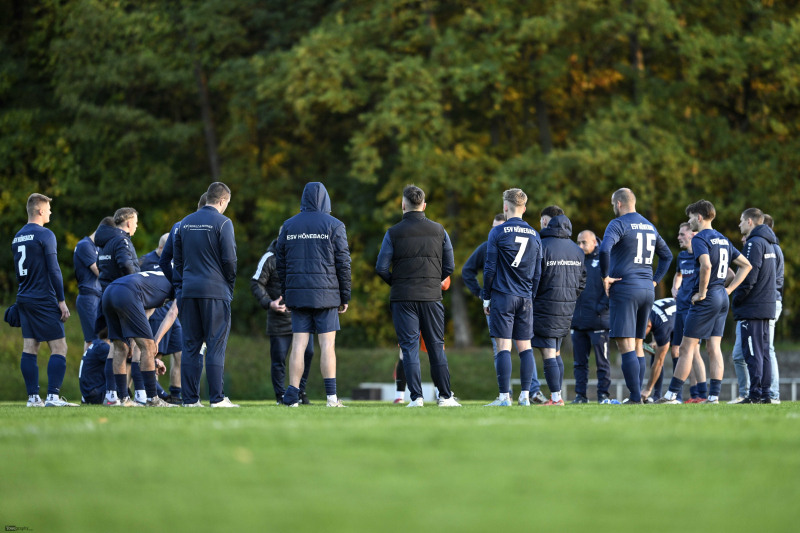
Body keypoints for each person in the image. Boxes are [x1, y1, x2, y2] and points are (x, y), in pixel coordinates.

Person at [658, 200, 751, 404]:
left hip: (707, 298)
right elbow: (746, 265)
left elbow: (706, 266)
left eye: (691, 217)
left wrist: (701, 293)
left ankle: (671, 395)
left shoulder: (700, 237)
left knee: (686, 348)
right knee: (713, 347)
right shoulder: (723, 239)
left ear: (699, 217)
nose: (689, 222)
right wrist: (728, 290)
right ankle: (714, 397)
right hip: (721, 297)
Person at [376, 184, 459, 407]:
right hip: (431, 297)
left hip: (403, 298)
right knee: (435, 346)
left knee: (409, 348)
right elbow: (449, 266)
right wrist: (431, 281)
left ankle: (416, 398)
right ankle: (445, 397)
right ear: (424, 205)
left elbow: (381, 268)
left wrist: (399, 284)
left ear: (403, 205)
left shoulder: (392, 233)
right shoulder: (440, 230)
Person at [278, 182, 351, 408]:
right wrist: (345, 296)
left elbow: (281, 263)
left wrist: (286, 293)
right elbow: (343, 263)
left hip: (298, 295)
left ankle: (292, 395)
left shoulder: (289, 226)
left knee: (299, 344)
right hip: (327, 295)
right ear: (325, 200)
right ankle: (331, 398)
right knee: (327, 345)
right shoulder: (335, 225)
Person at [599, 188, 672, 404]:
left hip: (625, 288)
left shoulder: (618, 224)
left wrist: (605, 277)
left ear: (619, 203)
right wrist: (655, 280)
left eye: (613, 204)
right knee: (639, 343)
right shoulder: (649, 225)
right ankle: (639, 396)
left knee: (626, 345)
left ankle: (633, 398)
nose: (613, 208)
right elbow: (666, 256)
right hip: (647, 290)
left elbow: (604, 250)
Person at [174, 182, 238, 407]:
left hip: (189, 291)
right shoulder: (224, 223)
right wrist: (228, 285)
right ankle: (217, 399)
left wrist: (183, 285)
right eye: (227, 203)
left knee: (190, 345)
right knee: (215, 344)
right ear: (222, 201)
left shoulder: (184, 223)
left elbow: (178, 262)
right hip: (215, 291)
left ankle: (190, 400)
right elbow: (230, 261)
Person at [12, 194, 76, 407]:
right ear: (40, 211)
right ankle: (53, 397)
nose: (50, 212)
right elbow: (54, 269)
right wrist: (61, 300)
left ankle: (32, 398)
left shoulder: (17, 236)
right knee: (60, 347)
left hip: (24, 298)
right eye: (48, 209)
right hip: (43, 298)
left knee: (30, 347)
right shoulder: (46, 234)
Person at [480, 188, 541, 407]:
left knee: (504, 346)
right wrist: (531, 295)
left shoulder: (497, 232)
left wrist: (486, 297)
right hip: (525, 297)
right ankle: (525, 396)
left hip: (503, 296)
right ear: (524, 208)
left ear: (505, 207)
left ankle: (505, 397)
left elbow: (489, 268)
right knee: (525, 347)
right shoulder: (535, 234)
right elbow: (537, 272)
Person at [251, 230, 315, 405]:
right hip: (278, 320)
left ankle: (300, 391)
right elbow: (256, 283)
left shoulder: (303, 256)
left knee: (308, 353)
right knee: (279, 358)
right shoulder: (269, 258)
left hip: (302, 317)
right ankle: (280, 395)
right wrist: (269, 303)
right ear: (279, 238)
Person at [531, 211, 586, 406]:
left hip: (544, 306)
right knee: (556, 352)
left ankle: (556, 398)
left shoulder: (542, 245)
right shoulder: (577, 250)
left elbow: (535, 277)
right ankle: (558, 395)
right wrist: (570, 297)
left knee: (547, 353)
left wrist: (531, 300)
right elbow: (582, 281)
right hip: (567, 308)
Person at [158, 193, 208, 402]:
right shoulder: (213, 226)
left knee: (188, 346)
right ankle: (207, 396)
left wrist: (177, 283)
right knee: (204, 345)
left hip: (184, 290)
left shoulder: (180, 225)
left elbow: (164, 260)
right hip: (207, 292)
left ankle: (187, 397)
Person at [102, 271, 173, 407]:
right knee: (148, 347)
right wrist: (155, 341)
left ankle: (124, 399)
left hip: (110, 291)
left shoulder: (159, 278)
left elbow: (143, 312)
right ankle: (153, 399)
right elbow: (172, 313)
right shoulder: (179, 280)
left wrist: (133, 341)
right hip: (128, 293)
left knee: (120, 347)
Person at [731, 208, 778, 404]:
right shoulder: (770, 244)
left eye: (741, 221)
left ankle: (755, 394)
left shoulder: (753, 243)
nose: (739, 224)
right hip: (766, 306)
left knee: (752, 352)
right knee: (764, 352)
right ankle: (766, 393)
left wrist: (737, 298)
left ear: (750, 222)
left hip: (753, 308)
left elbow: (749, 277)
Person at [392, 276, 450, 404]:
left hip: (425, 304)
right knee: (406, 351)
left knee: (434, 352)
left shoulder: (438, 258)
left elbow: (445, 283)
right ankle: (400, 395)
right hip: (417, 304)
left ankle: (438, 394)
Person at [140, 234, 182, 404]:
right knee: (156, 355)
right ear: (163, 248)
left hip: (173, 314)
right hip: (156, 314)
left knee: (180, 355)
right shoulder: (144, 261)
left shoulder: (176, 262)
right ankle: (154, 395)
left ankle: (175, 395)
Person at [570, 230, 612, 404]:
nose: (580, 246)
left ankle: (603, 395)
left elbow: (611, 287)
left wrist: (600, 308)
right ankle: (581, 396)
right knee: (579, 364)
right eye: (578, 242)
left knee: (602, 363)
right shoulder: (574, 261)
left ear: (594, 242)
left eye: (583, 243)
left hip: (598, 321)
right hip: (578, 322)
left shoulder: (605, 259)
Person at [462, 214, 506, 366]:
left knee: (523, 347)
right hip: (494, 304)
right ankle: (504, 390)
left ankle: (532, 388)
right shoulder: (486, 247)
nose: (495, 232)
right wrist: (479, 293)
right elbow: (467, 271)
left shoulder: (516, 247)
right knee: (499, 348)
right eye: (493, 228)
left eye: (499, 229)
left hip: (517, 302)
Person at [73, 217, 113, 351]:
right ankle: (86, 371)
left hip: (98, 297)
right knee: (93, 342)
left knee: (100, 340)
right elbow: (99, 271)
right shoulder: (85, 245)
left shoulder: (99, 247)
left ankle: (91, 371)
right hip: (89, 296)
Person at [763, 214, 783, 403]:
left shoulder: (771, 248)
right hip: (772, 301)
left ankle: (773, 393)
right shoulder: (774, 247)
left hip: (770, 301)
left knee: (768, 349)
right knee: (766, 348)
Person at [641, 298, 677, 402]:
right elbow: (655, 320)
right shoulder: (647, 312)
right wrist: (654, 341)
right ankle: (657, 395)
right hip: (669, 315)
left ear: (649, 325)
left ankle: (677, 396)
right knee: (655, 350)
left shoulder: (662, 327)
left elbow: (659, 362)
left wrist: (647, 389)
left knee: (677, 352)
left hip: (685, 317)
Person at [79, 328, 111, 404]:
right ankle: (126, 396)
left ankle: (125, 395)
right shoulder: (103, 347)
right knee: (123, 363)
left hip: (90, 392)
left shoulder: (96, 344)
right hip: (95, 394)